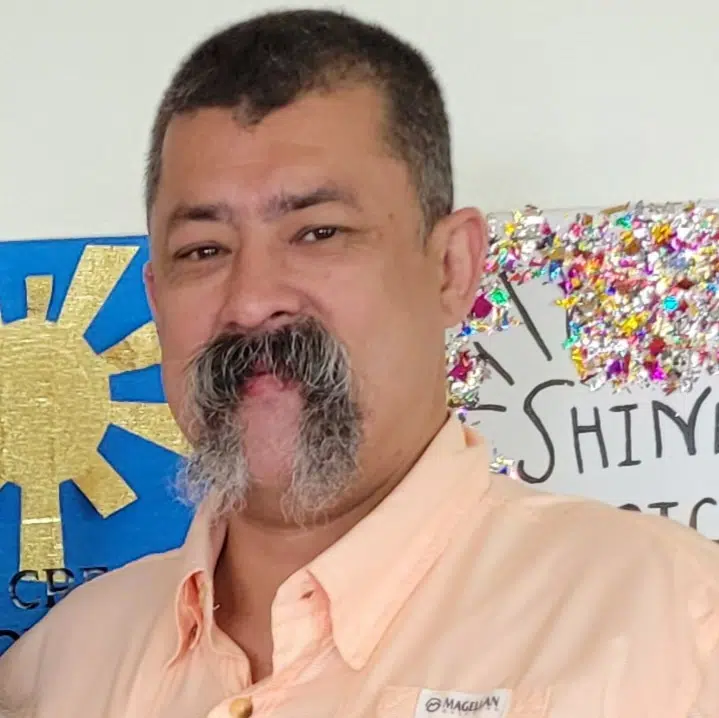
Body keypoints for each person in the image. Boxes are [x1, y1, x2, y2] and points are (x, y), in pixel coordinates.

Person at [1, 8, 719, 717]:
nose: (251, 301)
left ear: (450, 267)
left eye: (318, 232)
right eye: (204, 250)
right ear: (157, 300)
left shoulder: (675, 629)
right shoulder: (57, 671)